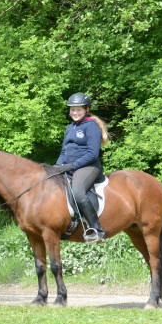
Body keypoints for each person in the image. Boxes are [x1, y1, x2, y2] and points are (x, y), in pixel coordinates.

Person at [55, 92, 109, 244]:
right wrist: (57, 167)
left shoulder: (91, 126)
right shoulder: (70, 128)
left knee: (78, 192)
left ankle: (97, 231)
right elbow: (64, 151)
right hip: (70, 167)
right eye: (72, 109)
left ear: (87, 109)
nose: (75, 112)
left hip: (88, 166)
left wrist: (73, 166)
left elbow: (93, 153)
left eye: (78, 109)